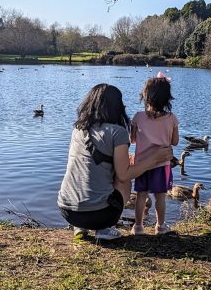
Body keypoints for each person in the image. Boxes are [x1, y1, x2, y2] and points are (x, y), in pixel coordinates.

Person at [58, 83, 172, 240]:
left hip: (67, 210)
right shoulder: (117, 132)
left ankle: (81, 227)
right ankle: (104, 229)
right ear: (116, 106)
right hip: (99, 215)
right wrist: (154, 159)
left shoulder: (77, 129)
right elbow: (124, 175)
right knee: (123, 179)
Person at [130, 73, 179, 235]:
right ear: (167, 99)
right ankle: (160, 226)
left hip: (141, 164)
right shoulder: (172, 119)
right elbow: (175, 141)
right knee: (160, 197)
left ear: (146, 97)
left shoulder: (138, 117)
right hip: (161, 164)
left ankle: (138, 227)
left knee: (141, 195)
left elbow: (133, 140)